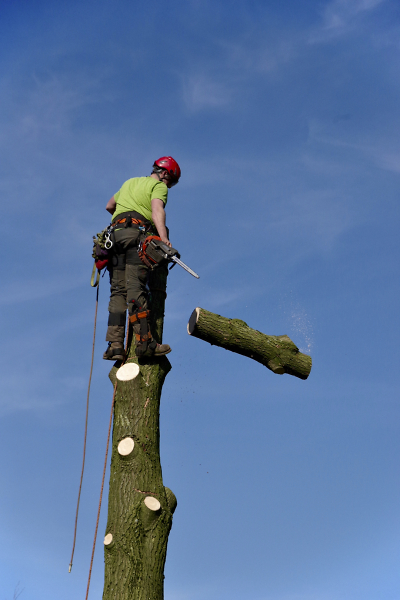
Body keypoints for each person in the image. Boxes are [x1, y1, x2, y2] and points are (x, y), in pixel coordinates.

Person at [103, 156, 181, 361]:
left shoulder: (130, 182)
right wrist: (164, 239)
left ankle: (115, 345)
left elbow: (109, 206)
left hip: (114, 236)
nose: (168, 186)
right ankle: (145, 343)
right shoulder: (157, 186)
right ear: (164, 173)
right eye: (170, 182)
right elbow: (157, 210)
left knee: (118, 291)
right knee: (136, 288)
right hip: (135, 236)